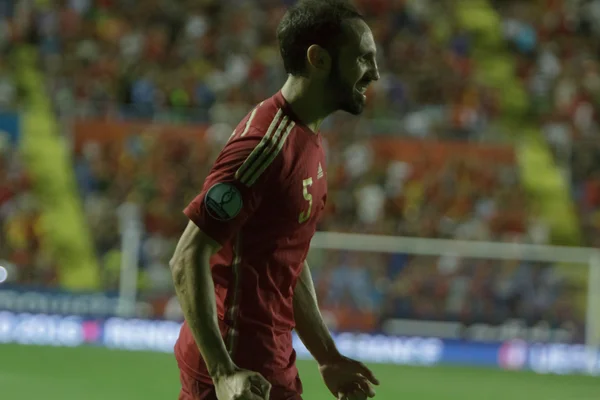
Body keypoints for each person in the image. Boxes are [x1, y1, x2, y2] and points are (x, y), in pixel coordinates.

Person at [170, 1, 380, 399]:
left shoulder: (308, 139)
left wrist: (327, 356)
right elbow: (186, 256)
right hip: (239, 368)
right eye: (362, 59)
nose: (375, 72)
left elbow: (285, 258)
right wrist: (223, 372)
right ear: (318, 59)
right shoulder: (263, 148)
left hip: (270, 360)